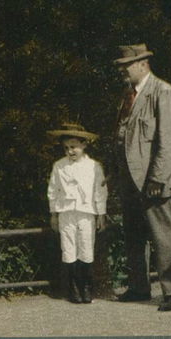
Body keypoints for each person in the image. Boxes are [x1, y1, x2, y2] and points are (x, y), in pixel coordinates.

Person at [111, 43, 171, 312]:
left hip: (154, 180)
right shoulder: (128, 95)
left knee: (164, 234)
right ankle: (139, 287)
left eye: (126, 65)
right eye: (120, 66)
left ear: (143, 64)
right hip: (131, 180)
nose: (122, 70)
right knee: (133, 234)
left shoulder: (163, 93)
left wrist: (157, 178)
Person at [45, 122, 107, 304]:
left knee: (86, 248)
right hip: (66, 213)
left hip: (87, 212)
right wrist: (54, 214)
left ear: (84, 145)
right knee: (69, 249)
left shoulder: (94, 166)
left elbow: (100, 191)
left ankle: (86, 288)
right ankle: (72, 290)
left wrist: (101, 214)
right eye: (66, 148)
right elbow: (53, 191)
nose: (70, 151)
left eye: (73, 147)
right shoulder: (59, 166)